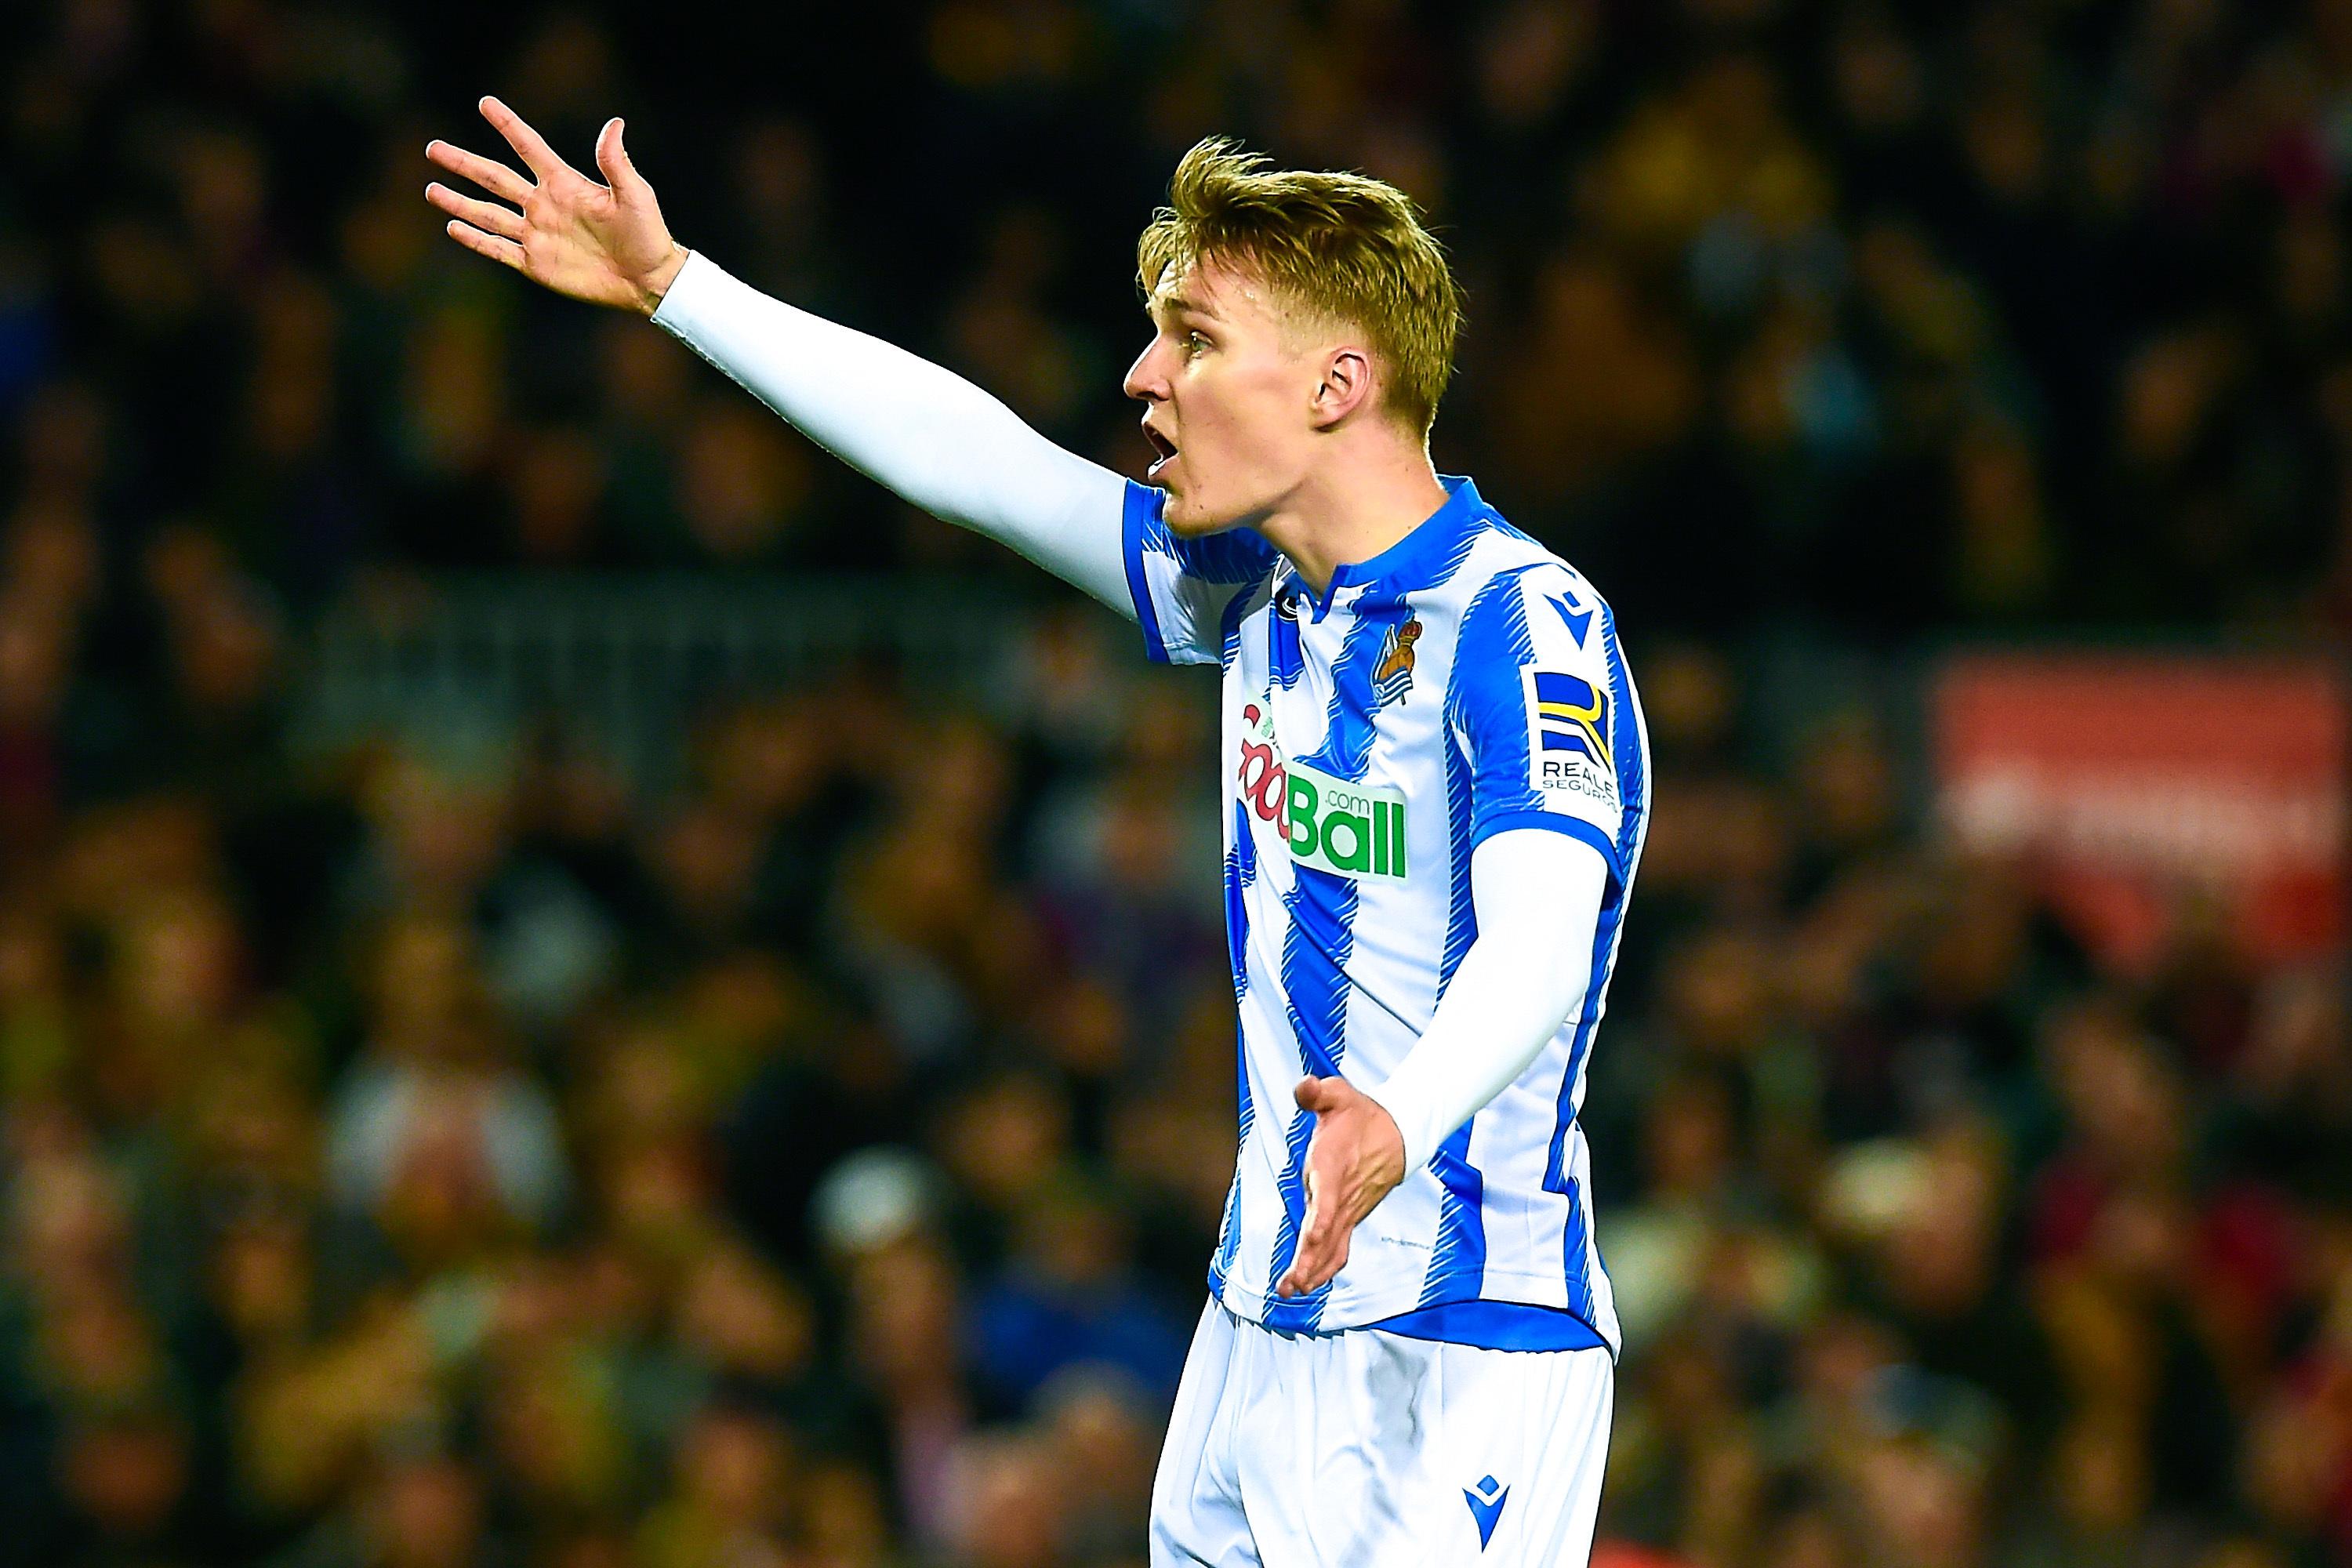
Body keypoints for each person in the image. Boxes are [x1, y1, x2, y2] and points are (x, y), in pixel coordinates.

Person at [425, 100, 1650, 1566]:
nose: (1144, 377)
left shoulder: (1524, 623)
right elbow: (984, 464)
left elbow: (1541, 938)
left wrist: (1404, 1116)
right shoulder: (1253, 589)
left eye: (1194, 340)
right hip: (1261, 1315)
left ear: (1337, 383)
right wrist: (679, 287)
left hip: (1460, 1340)